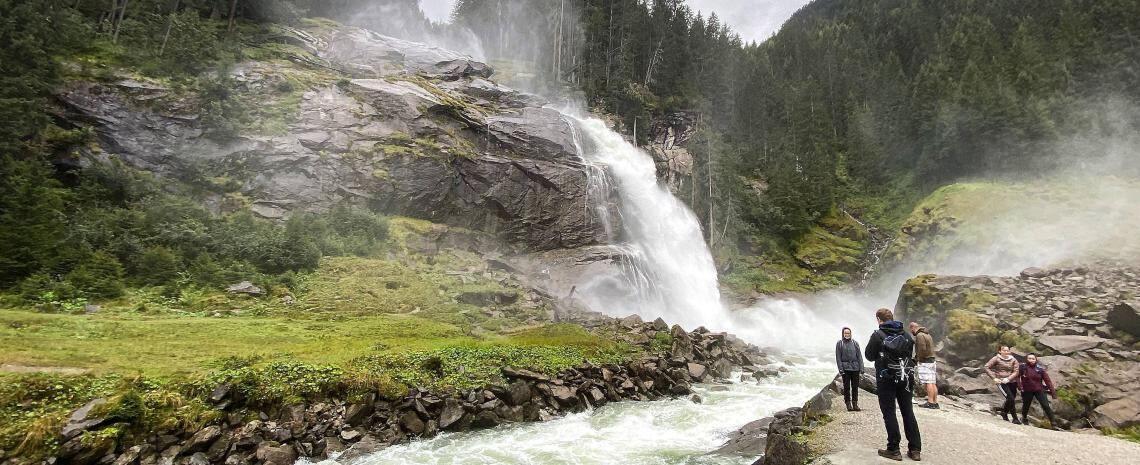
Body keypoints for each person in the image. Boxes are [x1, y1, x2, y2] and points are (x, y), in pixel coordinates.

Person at [866, 308, 921, 461]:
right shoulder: (906, 334)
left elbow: (869, 356)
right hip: (906, 378)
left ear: (879, 319)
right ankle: (915, 450)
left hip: (886, 378)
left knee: (889, 412)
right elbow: (910, 355)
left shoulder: (878, 335)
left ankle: (894, 449)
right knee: (908, 411)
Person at [1018, 353, 1061, 430]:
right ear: (1026, 359)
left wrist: (1053, 392)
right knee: (1026, 405)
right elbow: (1017, 377)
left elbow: (1048, 381)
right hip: (1027, 390)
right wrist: (1019, 386)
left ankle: (1054, 423)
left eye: (1033, 359)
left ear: (1036, 360)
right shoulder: (1022, 367)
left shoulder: (1040, 369)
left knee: (1046, 406)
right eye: (1029, 358)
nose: (1031, 360)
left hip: (1039, 390)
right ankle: (1024, 418)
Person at [984, 345, 1021, 424]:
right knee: (1010, 398)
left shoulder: (1013, 359)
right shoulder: (996, 358)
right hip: (1001, 382)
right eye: (1004, 350)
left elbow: (1016, 371)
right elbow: (986, 367)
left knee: (1011, 399)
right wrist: (994, 378)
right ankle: (1015, 418)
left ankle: (1004, 413)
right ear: (1000, 351)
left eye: (1007, 350)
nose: (1006, 352)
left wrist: (1008, 379)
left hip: (1012, 381)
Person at [909, 322, 939, 409]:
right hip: (932, 360)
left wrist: (916, 359)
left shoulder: (919, 335)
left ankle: (930, 402)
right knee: (933, 382)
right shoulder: (927, 334)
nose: (912, 332)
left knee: (928, 382)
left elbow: (922, 349)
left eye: (911, 330)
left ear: (913, 328)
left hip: (925, 361)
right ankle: (935, 402)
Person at [835, 327, 864, 411]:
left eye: (848, 333)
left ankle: (855, 404)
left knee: (855, 387)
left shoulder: (855, 343)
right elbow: (838, 357)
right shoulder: (839, 343)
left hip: (855, 368)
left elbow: (859, 356)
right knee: (847, 387)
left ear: (851, 334)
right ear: (843, 334)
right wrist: (841, 369)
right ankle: (848, 404)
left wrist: (861, 368)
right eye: (845, 333)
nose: (847, 335)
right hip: (845, 369)